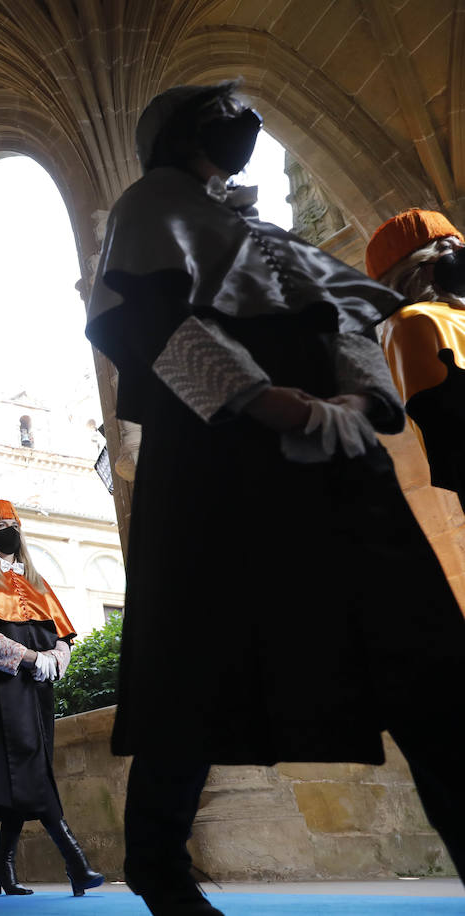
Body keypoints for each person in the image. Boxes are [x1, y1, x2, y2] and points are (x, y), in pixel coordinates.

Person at [87, 80, 465, 915]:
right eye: (221, 114)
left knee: (427, 656)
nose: (242, 123)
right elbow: (145, 319)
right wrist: (264, 400)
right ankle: (158, 864)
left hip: (339, 459)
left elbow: (345, 320)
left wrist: (360, 405)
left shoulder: (262, 228)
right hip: (221, 461)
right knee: (193, 663)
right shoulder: (151, 205)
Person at [0, 500, 103, 898]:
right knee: (27, 759)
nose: (9, 528)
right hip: (3, 686)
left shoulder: (37, 581)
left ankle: (1, 865)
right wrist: (30, 658)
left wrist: (56, 658)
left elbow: (62, 634)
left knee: (30, 765)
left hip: (39, 687)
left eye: (13, 523)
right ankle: (75, 861)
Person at [365, 209, 465, 509]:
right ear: (415, 267)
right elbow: (448, 419)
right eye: (448, 248)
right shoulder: (411, 321)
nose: (461, 252)